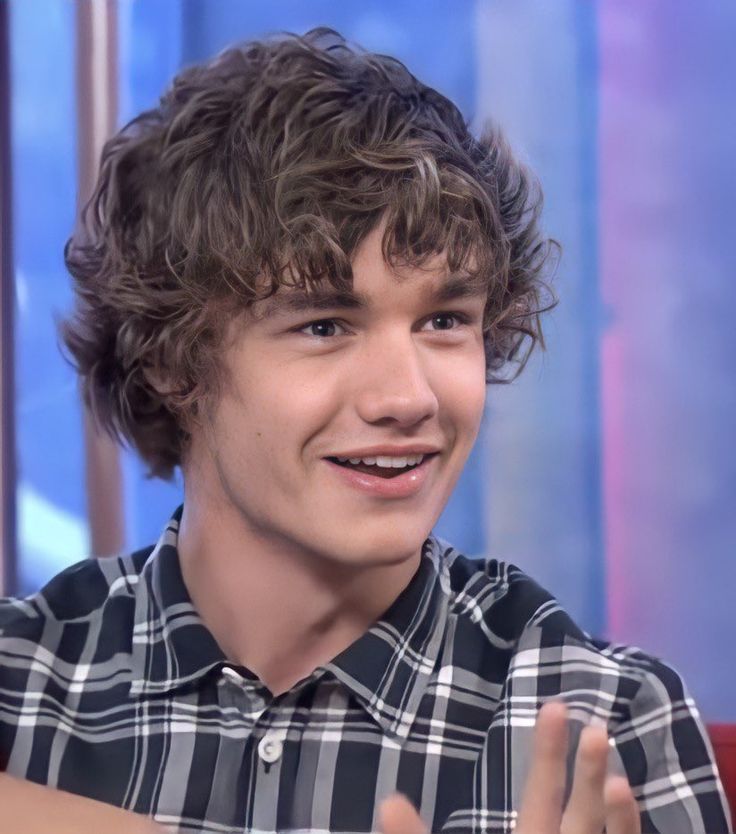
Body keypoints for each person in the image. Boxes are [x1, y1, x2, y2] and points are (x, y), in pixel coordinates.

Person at [0, 28, 730, 834]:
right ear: (176, 361)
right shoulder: (21, 684)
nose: (408, 396)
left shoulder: (605, 724)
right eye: (324, 326)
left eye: (445, 320)